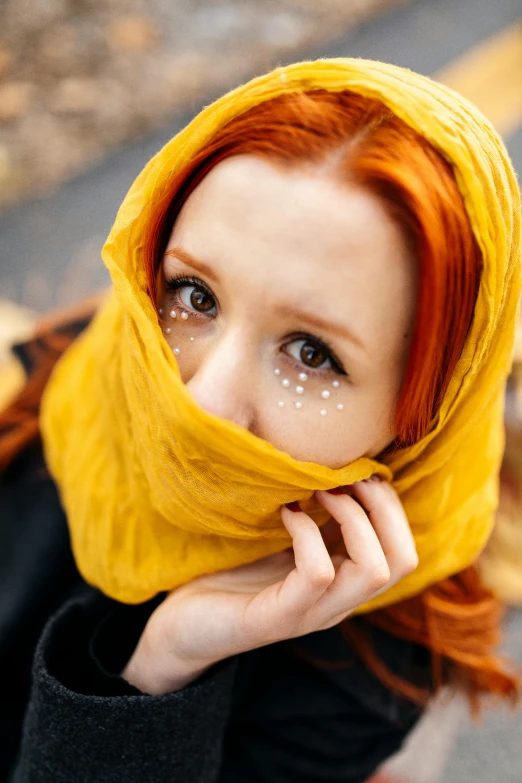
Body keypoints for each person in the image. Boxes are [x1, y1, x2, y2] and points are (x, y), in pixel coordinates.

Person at [1, 58, 520, 782]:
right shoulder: (78, 367)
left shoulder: (363, 672)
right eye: (198, 295)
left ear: (425, 412)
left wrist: (162, 666)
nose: (201, 401)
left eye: (312, 352)